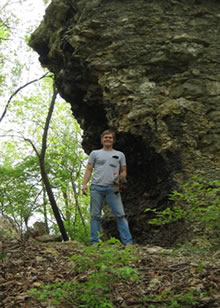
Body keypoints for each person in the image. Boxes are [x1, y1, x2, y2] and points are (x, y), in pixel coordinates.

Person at [82, 129, 133, 245]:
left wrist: (121, 179)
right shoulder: (95, 153)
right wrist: (84, 184)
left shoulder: (120, 155)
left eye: (110, 137)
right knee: (95, 216)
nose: (108, 139)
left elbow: (124, 170)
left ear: (113, 140)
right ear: (102, 140)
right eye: (105, 137)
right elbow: (89, 169)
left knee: (121, 215)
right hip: (96, 188)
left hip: (112, 188)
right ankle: (94, 242)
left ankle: (128, 243)